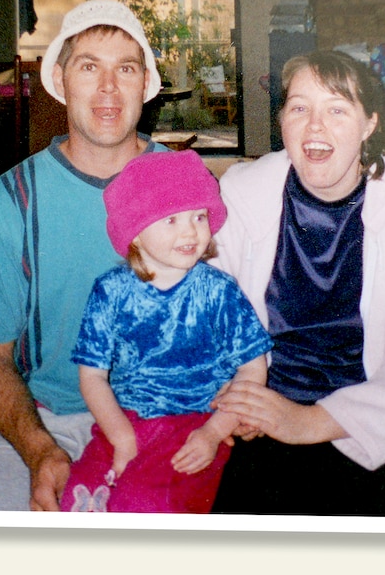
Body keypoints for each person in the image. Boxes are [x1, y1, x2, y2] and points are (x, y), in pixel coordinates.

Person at [208, 50, 385, 517]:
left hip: (381, 420)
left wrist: (309, 422)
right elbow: (206, 311)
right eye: (299, 107)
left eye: (337, 109)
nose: (315, 126)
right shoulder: (240, 197)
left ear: (369, 124)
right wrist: (238, 397)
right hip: (264, 402)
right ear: (282, 121)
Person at [0, 0, 172, 511]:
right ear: (61, 81)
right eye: (89, 67)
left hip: (162, 419)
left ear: (145, 85)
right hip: (45, 421)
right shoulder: (12, 199)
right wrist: (39, 449)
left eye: (125, 68)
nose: (108, 88)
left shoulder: (185, 187)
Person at [60, 150, 272, 513]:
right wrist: (121, 435)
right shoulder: (110, 291)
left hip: (193, 425)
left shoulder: (219, 292)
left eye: (199, 216)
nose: (190, 230)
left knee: (145, 505)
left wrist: (214, 433)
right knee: (78, 501)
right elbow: (92, 377)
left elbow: (253, 369)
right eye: (171, 220)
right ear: (135, 234)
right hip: (123, 418)